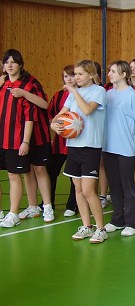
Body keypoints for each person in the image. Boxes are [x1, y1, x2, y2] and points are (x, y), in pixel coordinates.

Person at [50, 60, 107, 242]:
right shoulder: (72, 95)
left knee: (89, 190)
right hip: (73, 146)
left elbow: (87, 110)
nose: (76, 78)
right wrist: (54, 124)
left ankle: (101, 228)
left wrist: (74, 91)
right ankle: (86, 226)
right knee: (78, 189)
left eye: (80, 74)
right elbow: (62, 114)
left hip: (90, 146)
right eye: (74, 74)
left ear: (91, 74)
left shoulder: (99, 91)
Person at [0, 49, 53, 227]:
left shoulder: (30, 83)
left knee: (39, 170)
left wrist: (24, 94)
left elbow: (45, 105)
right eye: (6, 62)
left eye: (13, 62)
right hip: (15, 138)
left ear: (21, 65)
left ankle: (47, 207)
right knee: (27, 171)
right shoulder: (4, 84)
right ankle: (33, 206)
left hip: (36, 135)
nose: (9, 65)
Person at [102, 61, 135, 237]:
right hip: (108, 146)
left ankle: (132, 222)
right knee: (115, 185)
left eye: (113, 71)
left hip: (125, 147)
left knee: (128, 185)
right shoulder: (107, 94)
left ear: (123, 74)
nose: (110, 74)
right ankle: (118, 219)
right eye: (110, 71)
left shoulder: (132, 96)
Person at [46, 65, 78, 216]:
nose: (69, 79)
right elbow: (51, 115)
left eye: (71, 75)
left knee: (74, 176)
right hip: (59, 143)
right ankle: (48, 203)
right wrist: (55, 124)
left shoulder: (81, 95)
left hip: (75, 143)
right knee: (51, 172)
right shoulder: (58, 95)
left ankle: (72, 205)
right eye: (66, 76)